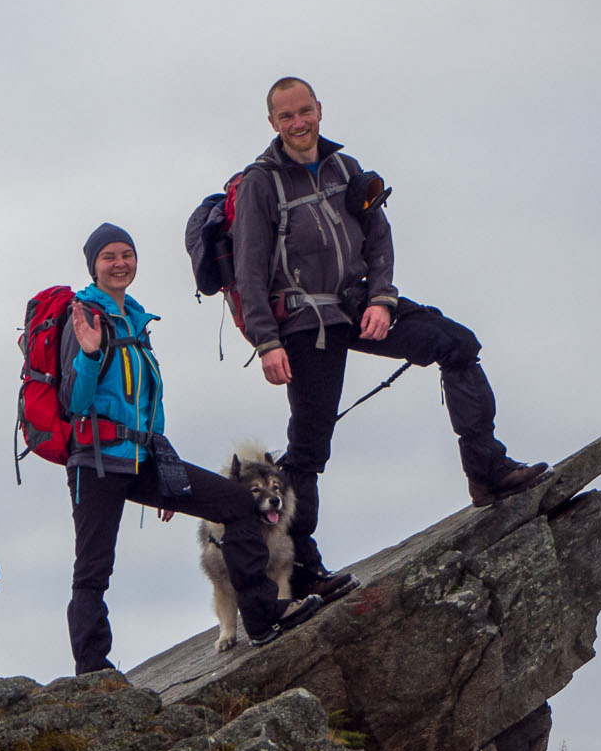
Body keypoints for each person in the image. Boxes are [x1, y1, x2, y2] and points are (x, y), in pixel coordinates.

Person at [230, 76, 548, 601]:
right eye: (286, 117)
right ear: (272, 123)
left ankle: (488, 471)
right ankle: (305, 571)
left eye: (304, 111)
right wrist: (267, 342)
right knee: (309, 448)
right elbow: (247, 270)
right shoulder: (263, 183)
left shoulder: (344, 168)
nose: (298, 123)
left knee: (457, 344)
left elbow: (378, 237)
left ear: (320, 110)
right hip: (305, 322)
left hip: (358, 303)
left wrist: (381, 297)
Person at [62, 223, 322, 674]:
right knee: (93, 568)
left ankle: (261, 617)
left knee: (239, 503)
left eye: (127, 254)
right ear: (94, 266)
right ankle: (92, 669)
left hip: (144, 458)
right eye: (109, 257)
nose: (120, 263)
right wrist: (87, 354)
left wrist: (167, 471)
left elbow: (147, 403)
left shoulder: (136, 318)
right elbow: (74, 403)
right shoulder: (84, 316)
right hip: (97, 462)